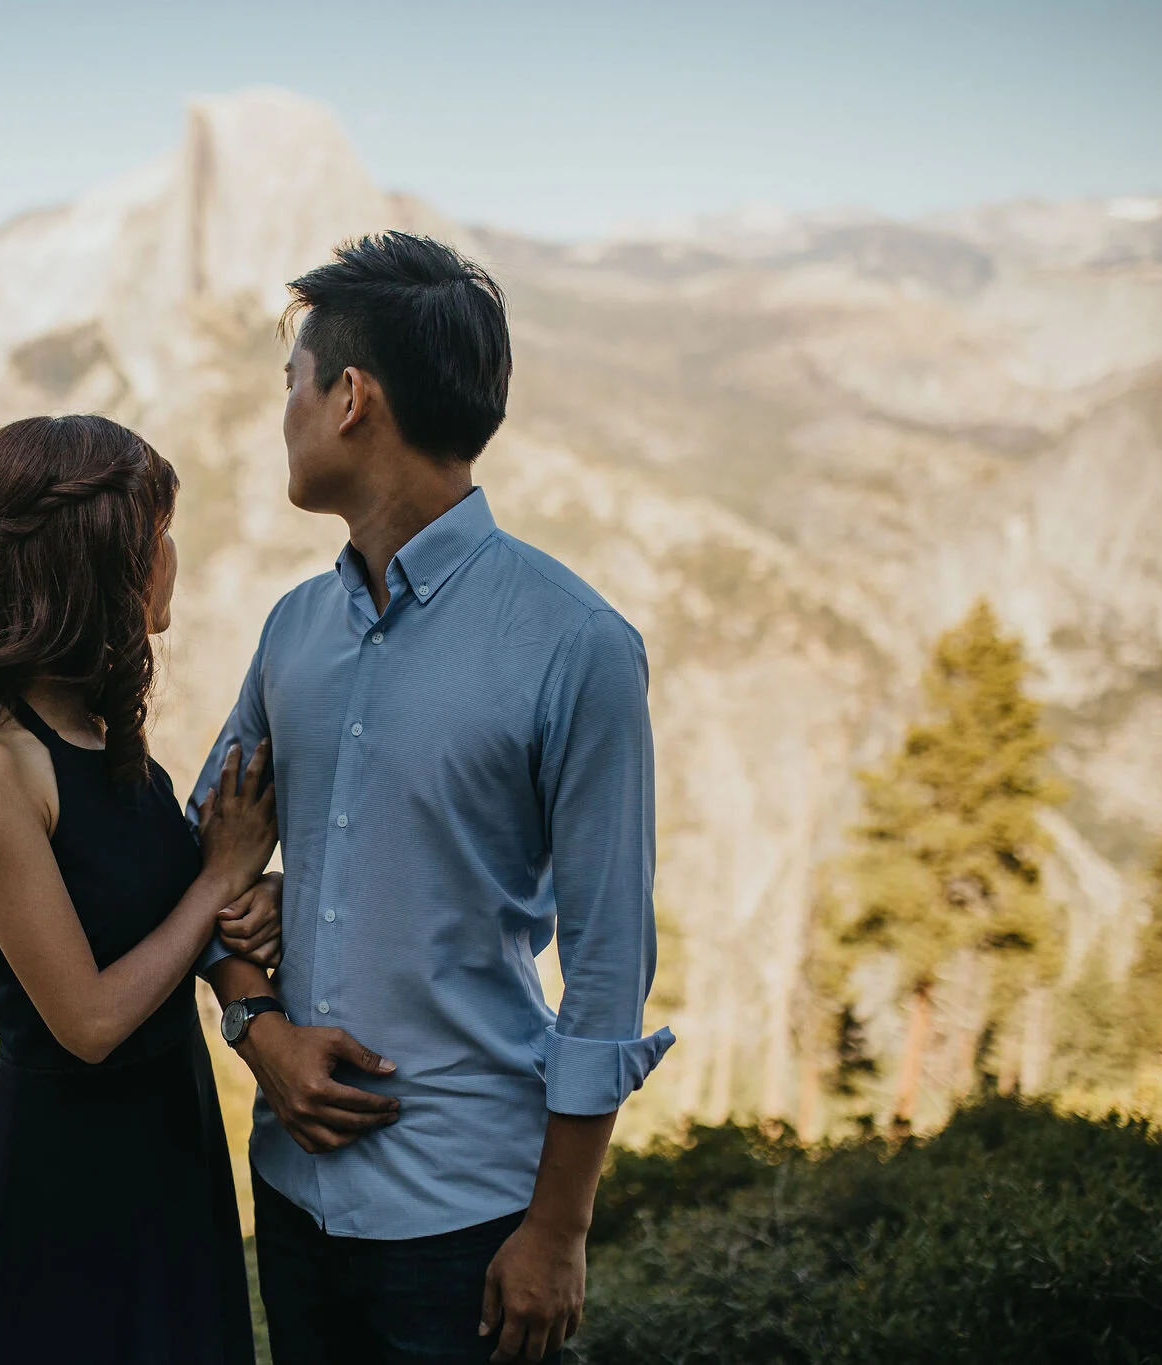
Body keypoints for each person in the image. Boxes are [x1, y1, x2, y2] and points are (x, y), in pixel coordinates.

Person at [198, 233, 675, 1365]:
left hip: (469, 1223)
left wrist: (555, 1230)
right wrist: (256, 1029)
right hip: (292, 1200)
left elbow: (607, 967)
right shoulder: (291, 632)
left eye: (290, 385)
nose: (285, 416)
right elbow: (200, 856)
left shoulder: (576, 645)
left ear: (349, 398)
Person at [0, 414, 283, 1365]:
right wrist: (220, 879)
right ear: (98, 562)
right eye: (155, 535)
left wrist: (250, 899)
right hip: (62, 1190)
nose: (172, 557)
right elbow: (92, 1020)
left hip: (171, 1155)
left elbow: (157, 920)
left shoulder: (107, 743)